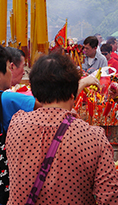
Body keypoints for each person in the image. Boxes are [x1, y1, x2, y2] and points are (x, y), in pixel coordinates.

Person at [0, 42, 100, 205]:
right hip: (7, 190)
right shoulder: (6, 99)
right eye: (9, 67)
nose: (11, 72)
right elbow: (55, 104)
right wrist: (83, 83)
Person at [6, 51, 118, 205]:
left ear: (36, 94)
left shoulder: (16, 124)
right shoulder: (94, 137)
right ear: (73, 93)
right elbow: (109, 198)